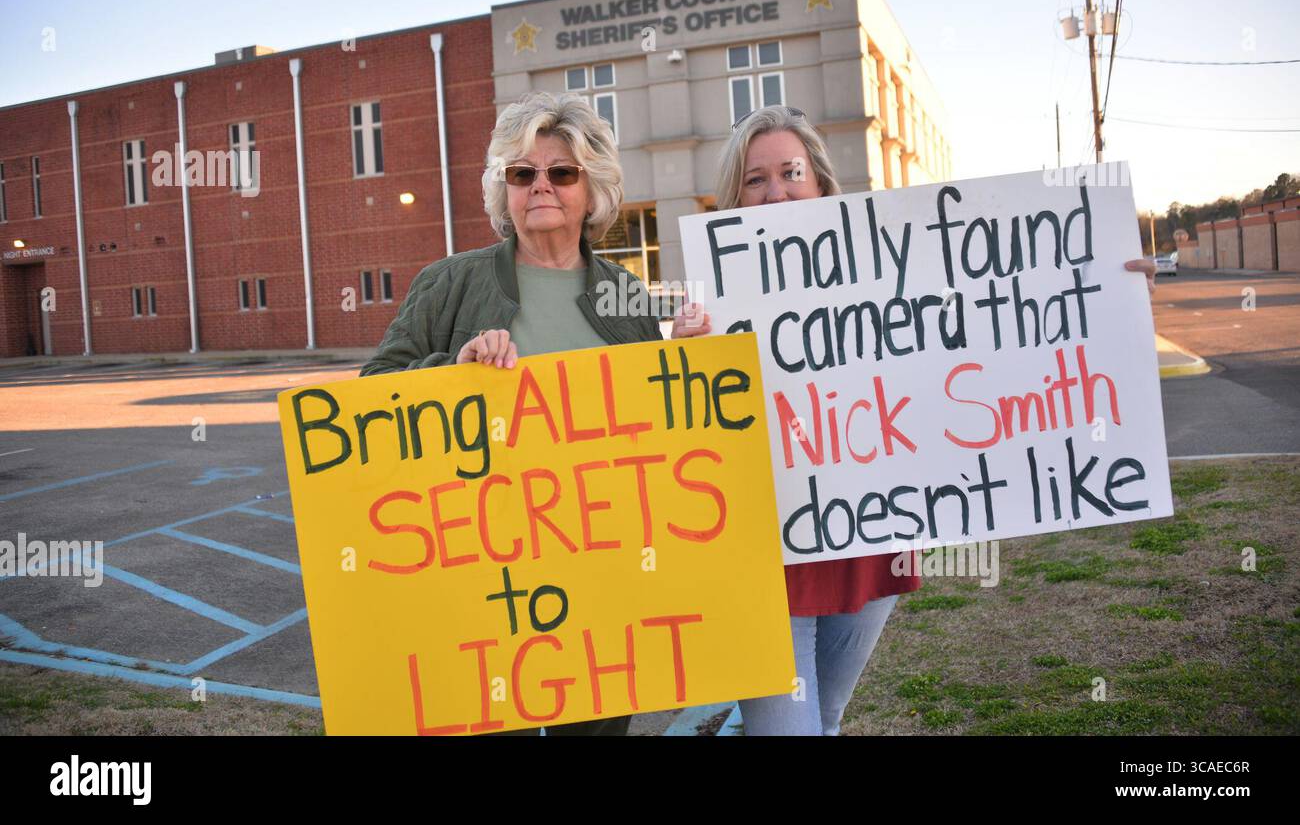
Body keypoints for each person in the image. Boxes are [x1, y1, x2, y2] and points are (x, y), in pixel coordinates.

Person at [672, 105, 1155, 736]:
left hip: (867, 532)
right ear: (734, 196)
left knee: (827, 717)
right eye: (754, 179)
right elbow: (687, 431)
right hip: (763, 555)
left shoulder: (885, 271)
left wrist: (1106, 289)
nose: (775, 192)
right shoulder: (712, 297)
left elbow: (998, 332)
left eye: (789, 172)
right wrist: (685, 354)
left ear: (820, 183)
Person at [360, 90, 663, 735]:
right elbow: (372, 392)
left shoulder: (624, 294)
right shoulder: (449, 283)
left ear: (593, 189)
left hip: (598, 575)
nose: (541, 186)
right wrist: (452, 370)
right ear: (504, 189)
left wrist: (690, 361)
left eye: (562, 172)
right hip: (483, 571)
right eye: (522, 173)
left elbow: (658, 425)